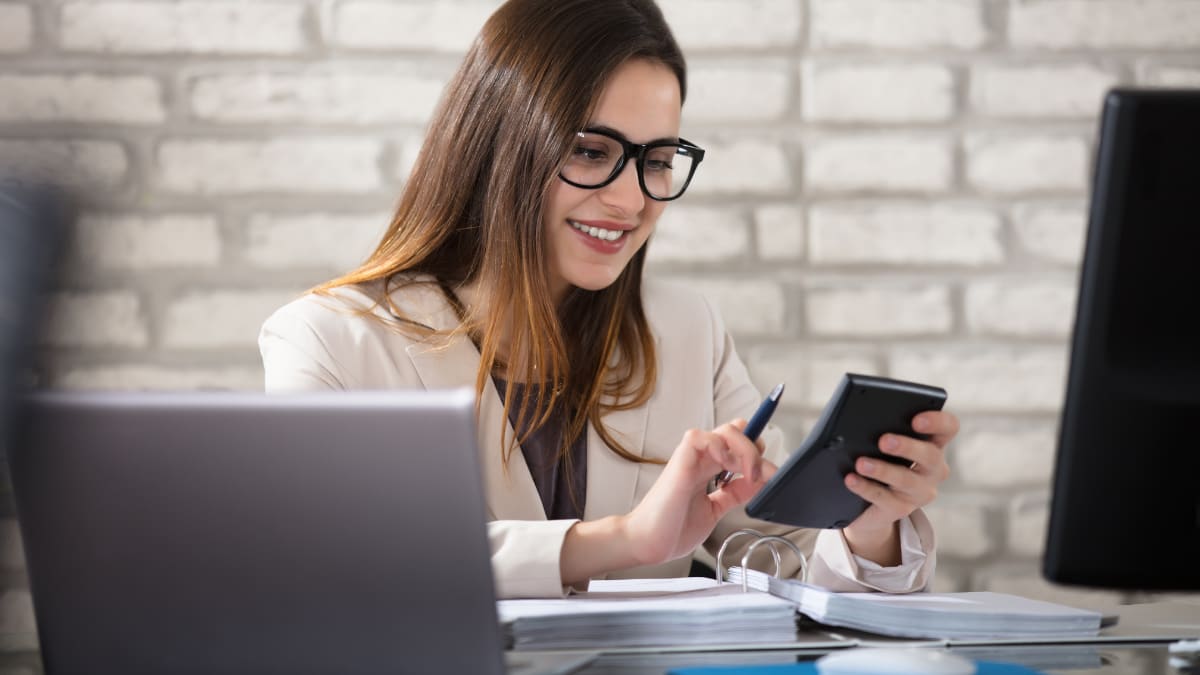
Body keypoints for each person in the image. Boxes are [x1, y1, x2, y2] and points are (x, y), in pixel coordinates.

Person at [259, 0, 959, 599]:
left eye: (656, 161)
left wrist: (869, 519)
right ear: (499, 145)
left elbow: (789, 568)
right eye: (591, 151)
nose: (631, 199)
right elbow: (330, 565)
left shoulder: (687, 332)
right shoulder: (327, 341)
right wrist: (623, 539)